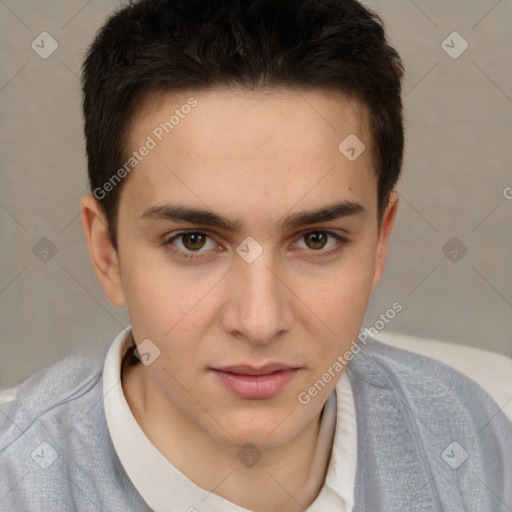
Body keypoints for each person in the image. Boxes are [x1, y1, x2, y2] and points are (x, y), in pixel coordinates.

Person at [0, 0, 511, 510]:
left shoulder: (472, 437)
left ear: (380, 242)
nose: (260, 321)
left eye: (317, 239)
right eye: (193, 241)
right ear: (107, 252)